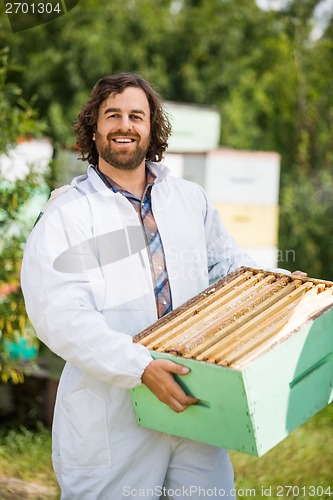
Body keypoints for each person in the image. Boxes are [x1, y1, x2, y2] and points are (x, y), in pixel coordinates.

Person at [21, 73, 257, 499]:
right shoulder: (67, 213)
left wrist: (274, 287)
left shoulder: (189, 198)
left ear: (152, 127)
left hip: (192, 395)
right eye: (113, 115)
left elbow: (228, 266)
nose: (124, 125)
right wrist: (140, 368)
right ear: (94, 128)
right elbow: (60, 314)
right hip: (113, 413)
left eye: (136, 115)